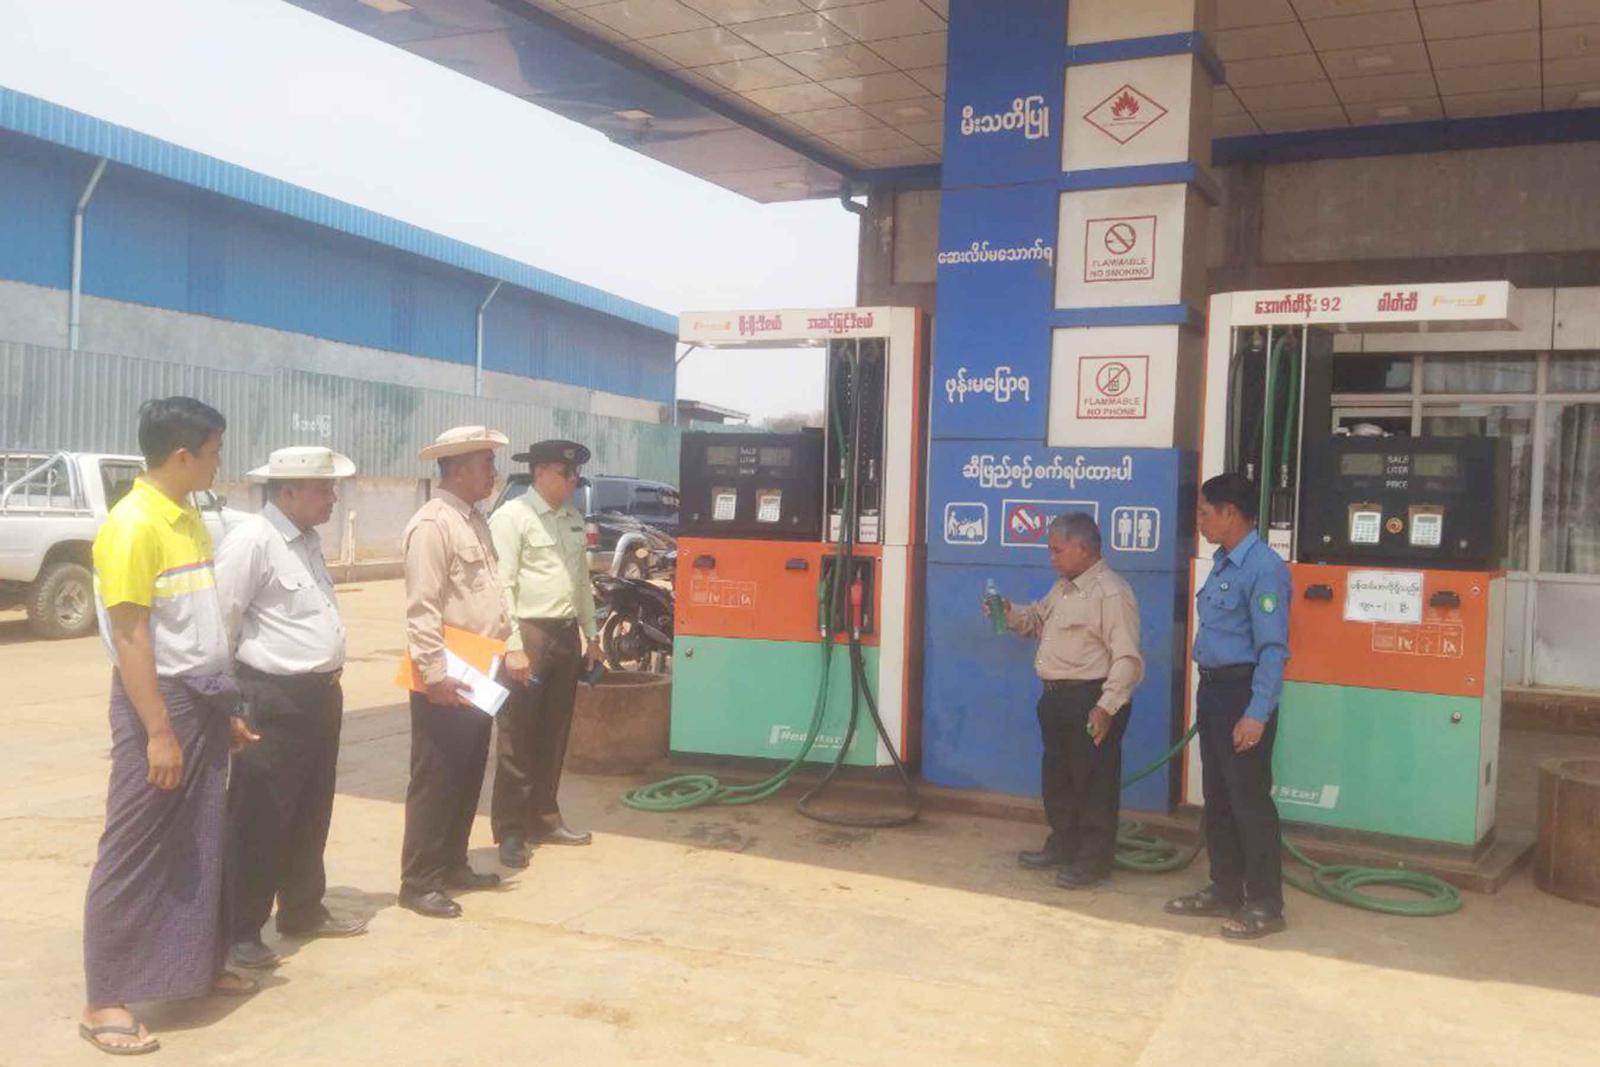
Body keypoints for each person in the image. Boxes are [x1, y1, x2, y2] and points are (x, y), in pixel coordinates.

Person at [79, 397, 260, 1057]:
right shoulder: (132, 526)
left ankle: (194, 967)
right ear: (183, 455)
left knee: (199, 841)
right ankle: (104, 998)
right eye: (214, 451)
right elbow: (131, 637)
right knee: (134, 848)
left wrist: (224, 712)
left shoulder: (188, 517)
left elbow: (196, 627)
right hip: (158, 704)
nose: (219, 462)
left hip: (201, 700)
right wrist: (158, 729)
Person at [215, 446, 368, 970]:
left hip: (319, 696)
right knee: (260, 816)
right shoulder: (253, 542)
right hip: (271, 698)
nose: (332, 498)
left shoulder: (307, 541)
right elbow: (222, 622)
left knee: (310, 808)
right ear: (287, 492)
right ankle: (241, 930)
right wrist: (230, 702)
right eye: (324, 489)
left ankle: (303, 907)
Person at [1165, 473, 1292, 940]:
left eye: (1205, 513)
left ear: (1230, 513)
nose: (1198, 521)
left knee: (1249, 803)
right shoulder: (1223, 562)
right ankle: (1224, 889)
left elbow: (1273, 650)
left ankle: (1265, 904)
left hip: (1243, 695)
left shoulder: (1263, 569)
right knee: (1217, 798)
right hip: (1215, 692)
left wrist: (1257, 713)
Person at [987, 513, 1144, 890]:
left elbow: (1127, 658)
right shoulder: (1063, 588)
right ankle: (1063, 844)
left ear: (1083, 548)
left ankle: (1093, 860)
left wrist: (1106, 707)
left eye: (1058, 550)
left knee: (1094, 782)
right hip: (1056, 698)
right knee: (1059, 778)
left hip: (1091, 699)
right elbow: (1037, 622)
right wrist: (1009, 614)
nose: (1052, 557)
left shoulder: (1112, 593)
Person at [399, 426, 515, 919]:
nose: (493, 472)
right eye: (486, 464)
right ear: (459, 469)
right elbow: (422, 608)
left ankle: (452, 863)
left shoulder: (475, 520)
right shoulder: (433, 525)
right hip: (448, 672)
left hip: (481, 666)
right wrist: (433, 674)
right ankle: (419, 880)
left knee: (466, 773)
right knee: (436, 777)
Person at [487, 440, 603, 867]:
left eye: (575, 474)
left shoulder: (573, 519)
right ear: (539, 473)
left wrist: (592, 636)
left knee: (554, 733)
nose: (573, 480)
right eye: (565, 473)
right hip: (529, 636)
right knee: (517, 735)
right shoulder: (512, 517)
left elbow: (580, 583)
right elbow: (503, 587)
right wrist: (513, 646)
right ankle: (511, 830)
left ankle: (545, 818)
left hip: (565, 635)